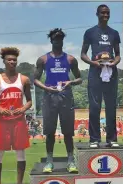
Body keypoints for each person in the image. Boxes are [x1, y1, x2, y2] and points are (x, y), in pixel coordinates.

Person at [34, 28, 82, 173]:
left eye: (60, 38)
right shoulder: (43, 59)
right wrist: (47, 88)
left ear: (63, 40)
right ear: (51, 40)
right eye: (56, 38)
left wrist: (71, 83)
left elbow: (79, 78)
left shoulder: (70, 59)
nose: (58, 41)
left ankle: (70, 161)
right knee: (50, 131)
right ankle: (49, 162)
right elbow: (35, 79)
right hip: (49, 96)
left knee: (68, 132)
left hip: (65, 95)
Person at [0, 47, 32, 184]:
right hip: (3, 121)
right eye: (9, 59)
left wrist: (22, 109)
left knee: (20, 153)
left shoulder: (24, 79)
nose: (12, 62)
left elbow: (29, 101)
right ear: (4, 61)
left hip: (18, 121)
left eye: (14, 59)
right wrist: (0, 109)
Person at [81, 4, 121, 148]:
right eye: (103, 13)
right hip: (95, 71)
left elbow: (118, 55)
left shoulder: (114, 33)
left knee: (111, 106)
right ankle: (94, 139)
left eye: (108, 13)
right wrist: (93, 62)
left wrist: (113, 63)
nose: (105, 15)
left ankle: (112, 139)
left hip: (110, 72)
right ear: (97, 14)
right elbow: (83, 54)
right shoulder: (90, 32)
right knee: (94, 106)